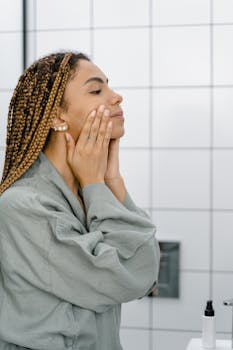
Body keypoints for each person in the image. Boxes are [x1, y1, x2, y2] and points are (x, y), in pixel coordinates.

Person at [0, 51, 160, 350]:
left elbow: (146, 270)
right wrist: (97, 184)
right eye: (97, 90)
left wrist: (111, 183)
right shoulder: (23, 206)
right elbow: (128, 279)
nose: (116, 97)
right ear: (57, 116)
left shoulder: (89, 195)